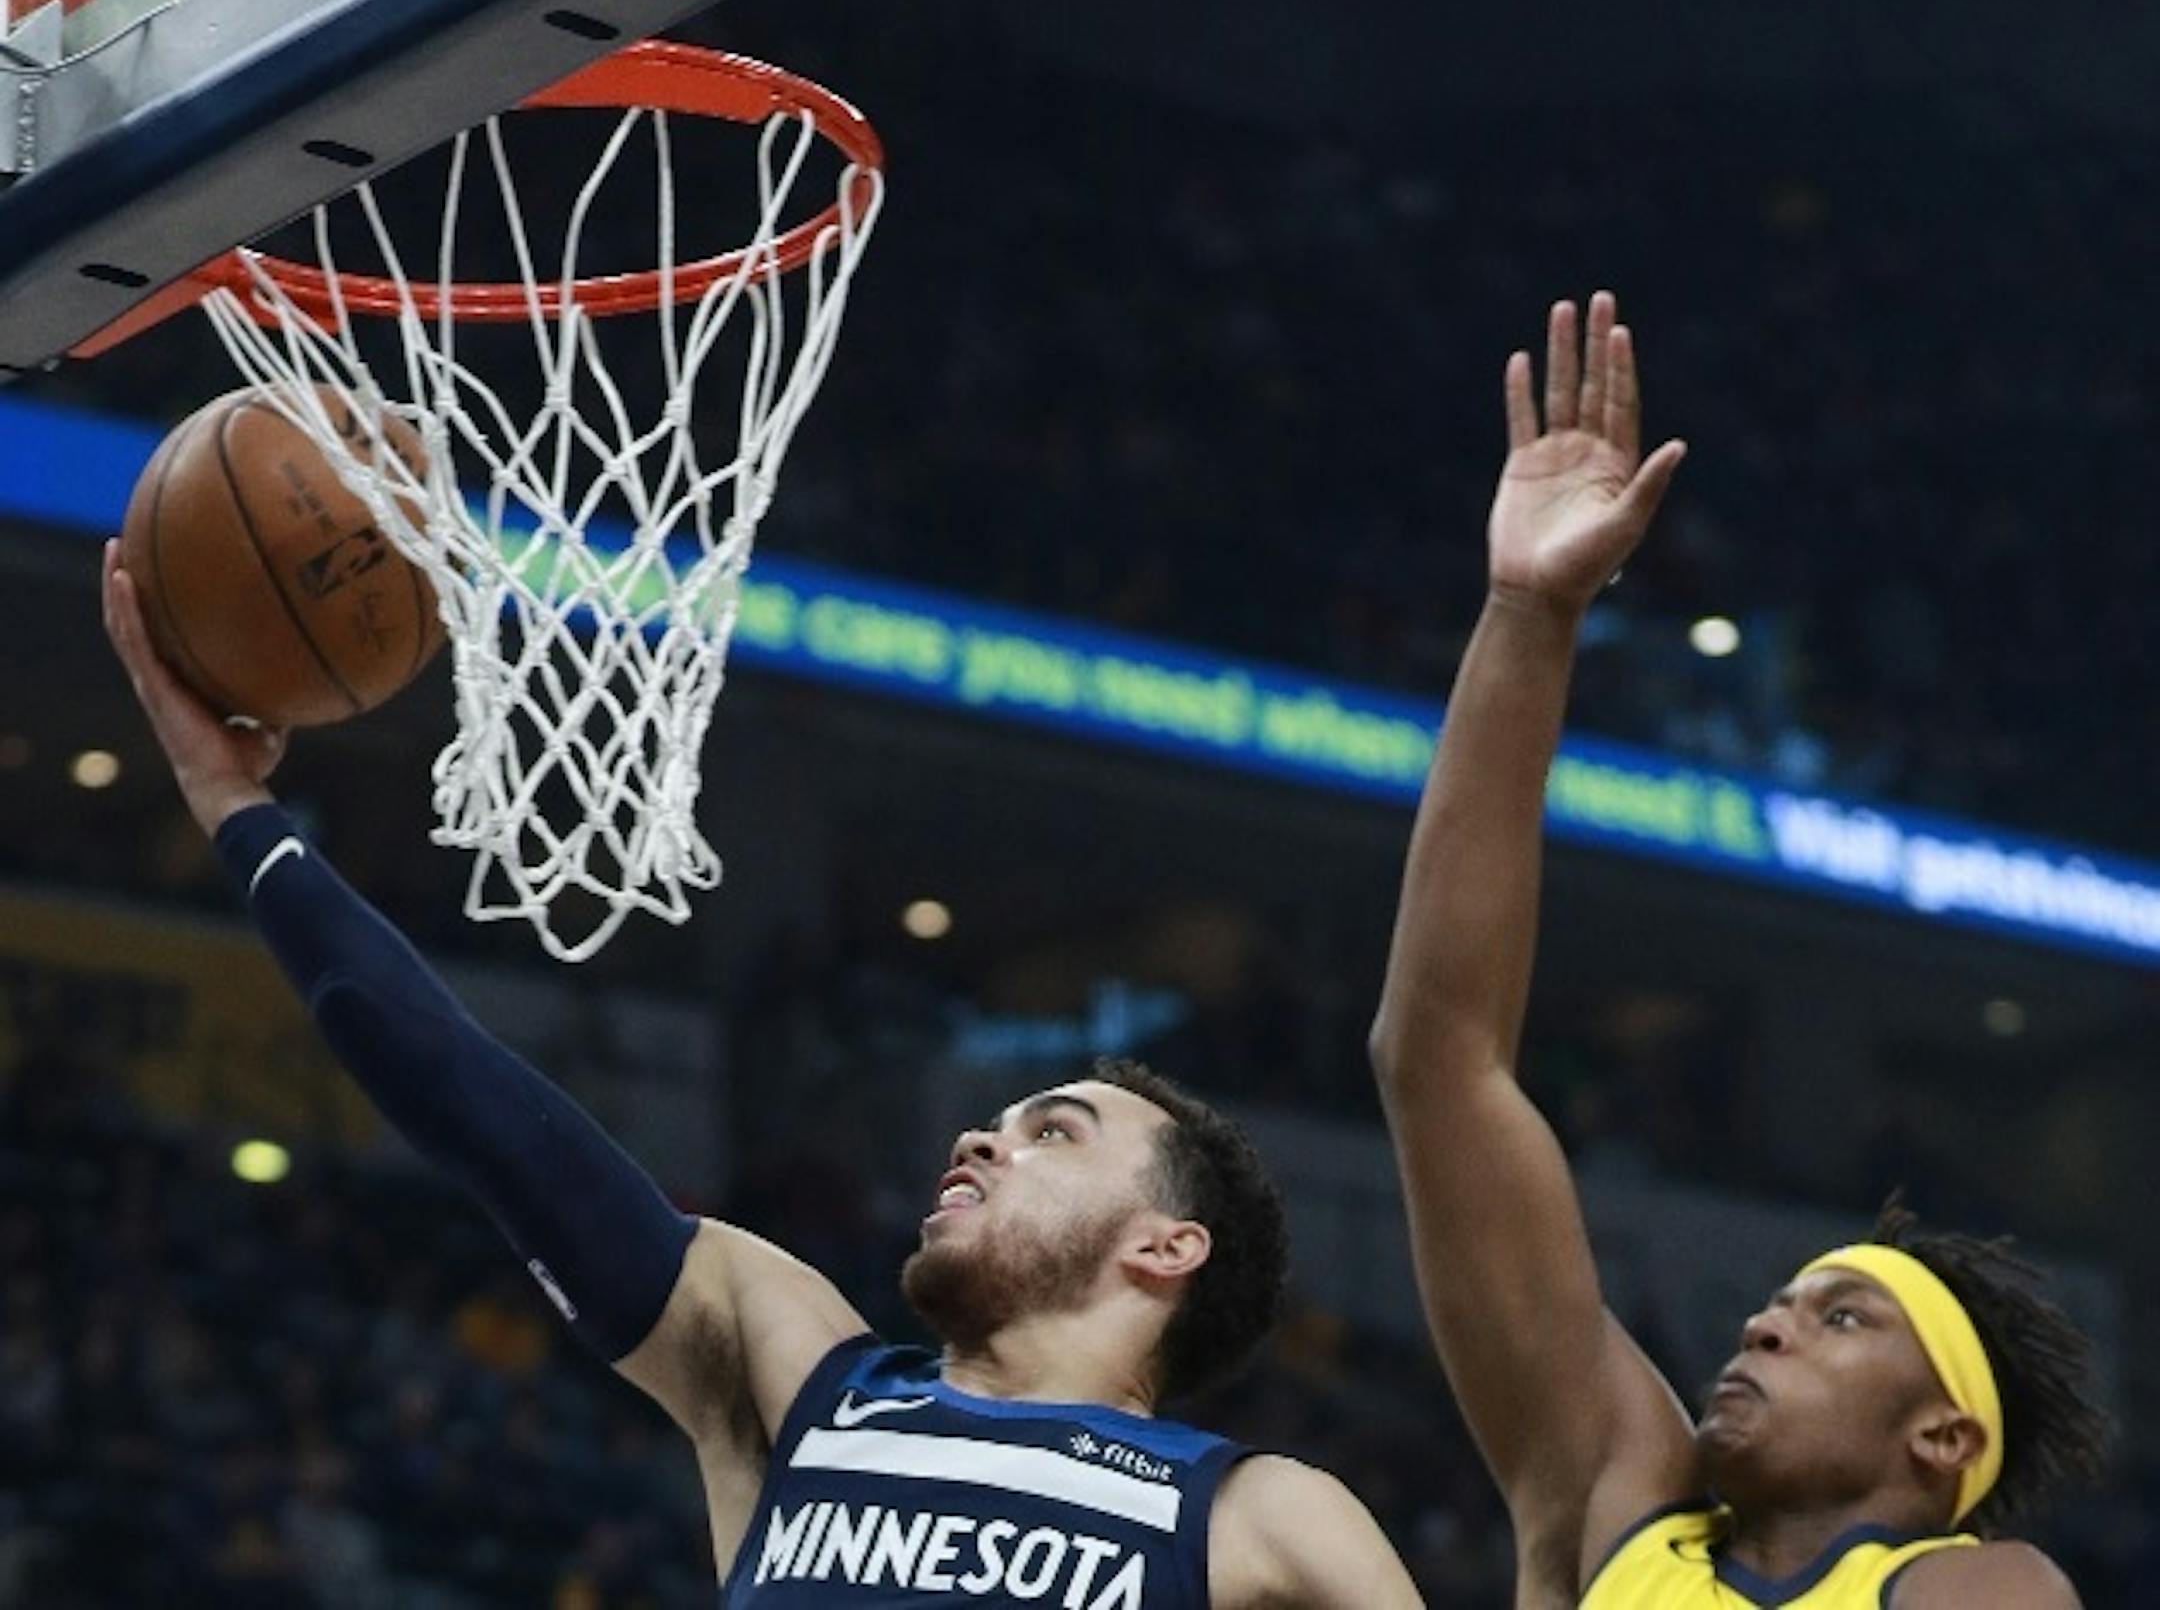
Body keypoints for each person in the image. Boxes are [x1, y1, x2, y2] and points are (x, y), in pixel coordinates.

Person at [100, 538, 1420, 1609]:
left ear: (1165, 1243)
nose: (981, 1138)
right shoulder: (805, 1379)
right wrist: (239, 813)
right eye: (1003, 1119)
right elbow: (471, 1100)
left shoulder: (1262, 1520)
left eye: (1055, 1131)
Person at [1367, 292, 2108, 1608]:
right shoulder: (1618, 1504)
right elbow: (1440, 1057)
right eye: (1792, 1299)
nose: (1762, 1321)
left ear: (1942, 1439)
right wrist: (1530, 616)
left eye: (1840, 1319)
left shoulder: (1981, 1584)